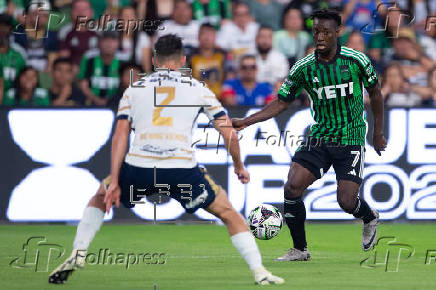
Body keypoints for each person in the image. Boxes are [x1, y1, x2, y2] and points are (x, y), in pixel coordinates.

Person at [48, 34, 284, 286]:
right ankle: (259, 271)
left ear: (153, 60)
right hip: (181, 170)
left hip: (139, 167)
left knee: (99, 197)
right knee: (228, 213)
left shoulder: (134, 89)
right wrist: (238, 166)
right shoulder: (197, 89)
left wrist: (115, 180)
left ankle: (79, 252)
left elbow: (119, 135)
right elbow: (229, 134)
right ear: (182, 60)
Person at [232, 9, 386, 261]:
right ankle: (299, 249)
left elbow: (376, 93)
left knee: (347, 202)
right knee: (292, 187)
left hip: (351, 137)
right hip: (320, 136)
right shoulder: (303, 67)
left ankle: (369, 216)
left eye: (326, 31)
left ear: (338, 32)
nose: (320, 36)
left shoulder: (356, 60)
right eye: (316, 31)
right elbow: (281, 102)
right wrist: (247, 122)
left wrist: (377, 133)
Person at [78, 30, 128, 106]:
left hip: (117, 103)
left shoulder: (124, 60)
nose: (109, 44)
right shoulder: (89, 57)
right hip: (90, 103)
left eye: (113, 40)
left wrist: (112, 100)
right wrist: (96, 100)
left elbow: (127, 85)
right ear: (99, 42)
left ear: (118, 43)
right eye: (105, 40)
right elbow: (83, 84)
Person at [58, 0, 99, 75]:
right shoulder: (65, 31)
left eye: (84, 9)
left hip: (96, 70)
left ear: (91, 12)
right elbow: (63, 57)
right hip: (72, 72)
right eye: (77, 9)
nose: (80, 12)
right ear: (71, 12)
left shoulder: (99, 32)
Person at [189, 22, 228, 97]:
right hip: (197, 99)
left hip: (220, 99)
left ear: (215, 37)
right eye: (204, 34)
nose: (207, 38)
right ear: (198, 37)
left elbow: (229, 78)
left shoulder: (223, 55)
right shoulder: (190, 57)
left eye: (210, 34)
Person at [0, 13, 26, 99]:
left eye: (6, 26)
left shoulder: (19, 52)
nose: (2, 29)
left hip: (13, 98)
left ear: (11, 29)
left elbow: (24, 77)